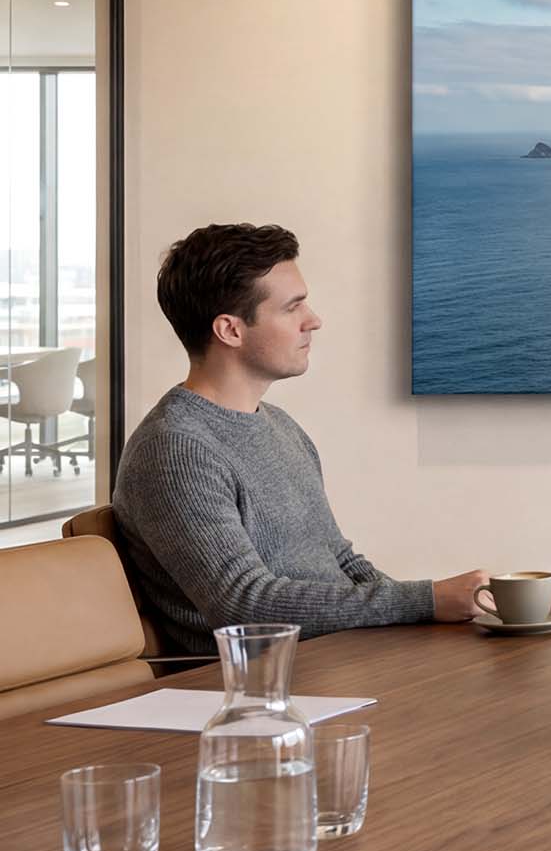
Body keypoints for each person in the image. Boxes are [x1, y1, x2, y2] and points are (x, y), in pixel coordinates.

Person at [113, 223, 488, 653]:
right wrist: (423, 601)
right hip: (256, 683)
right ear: (230, 330)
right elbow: (243, 606)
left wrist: (431, 614)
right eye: (293, 308)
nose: (314, 321)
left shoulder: (279, 425)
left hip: (339, 657)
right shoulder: (175, 450)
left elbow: (342, 562)